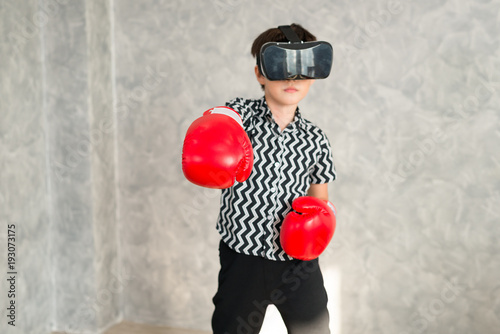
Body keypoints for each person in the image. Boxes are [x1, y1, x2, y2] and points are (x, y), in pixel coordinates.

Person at [182, 23, 336, 334]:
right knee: (232, 328)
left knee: (315, 330)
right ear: (260, 74)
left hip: (297, 262)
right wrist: (218, 127)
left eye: (301, 69)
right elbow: (221, 117)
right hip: (243, 254)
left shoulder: (316, 138)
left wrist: (313, 227)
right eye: (281, 66)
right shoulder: (241, 115)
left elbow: (321, 198)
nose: (291, 78)